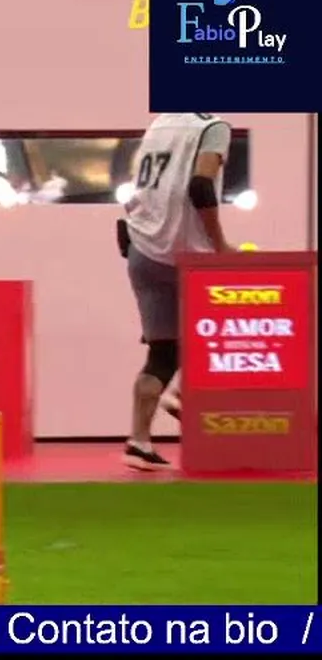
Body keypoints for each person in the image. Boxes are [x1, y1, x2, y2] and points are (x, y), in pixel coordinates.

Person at [118, 112, 234, 470]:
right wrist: (220, 245)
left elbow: (138, 185)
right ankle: (182, 393)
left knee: (162, 351)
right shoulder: (212, 127)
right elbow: (200, 186)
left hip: (143, 248)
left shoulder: (159, 125)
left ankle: (138, 442)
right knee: (227, 326)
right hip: (188, 253)